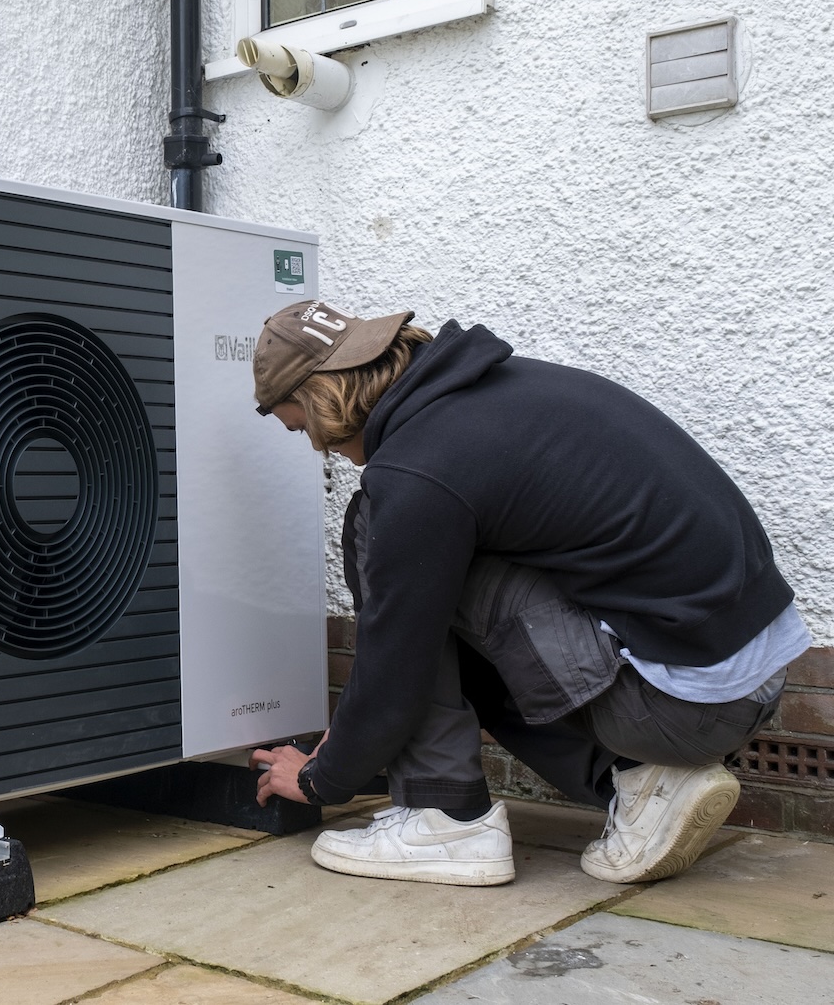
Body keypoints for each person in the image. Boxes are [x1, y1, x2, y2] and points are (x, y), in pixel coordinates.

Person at [245, 300, 807, 887]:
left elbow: (397, 655)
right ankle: (639, 781)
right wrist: (357, 742)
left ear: (322, 399)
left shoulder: (419, 470)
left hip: (681, 708)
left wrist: (324, 778)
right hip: (740, 682)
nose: (321, 448)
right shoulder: (498, 393)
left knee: (378, 535)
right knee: (427, 585)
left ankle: (445, 821)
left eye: (302, 428)